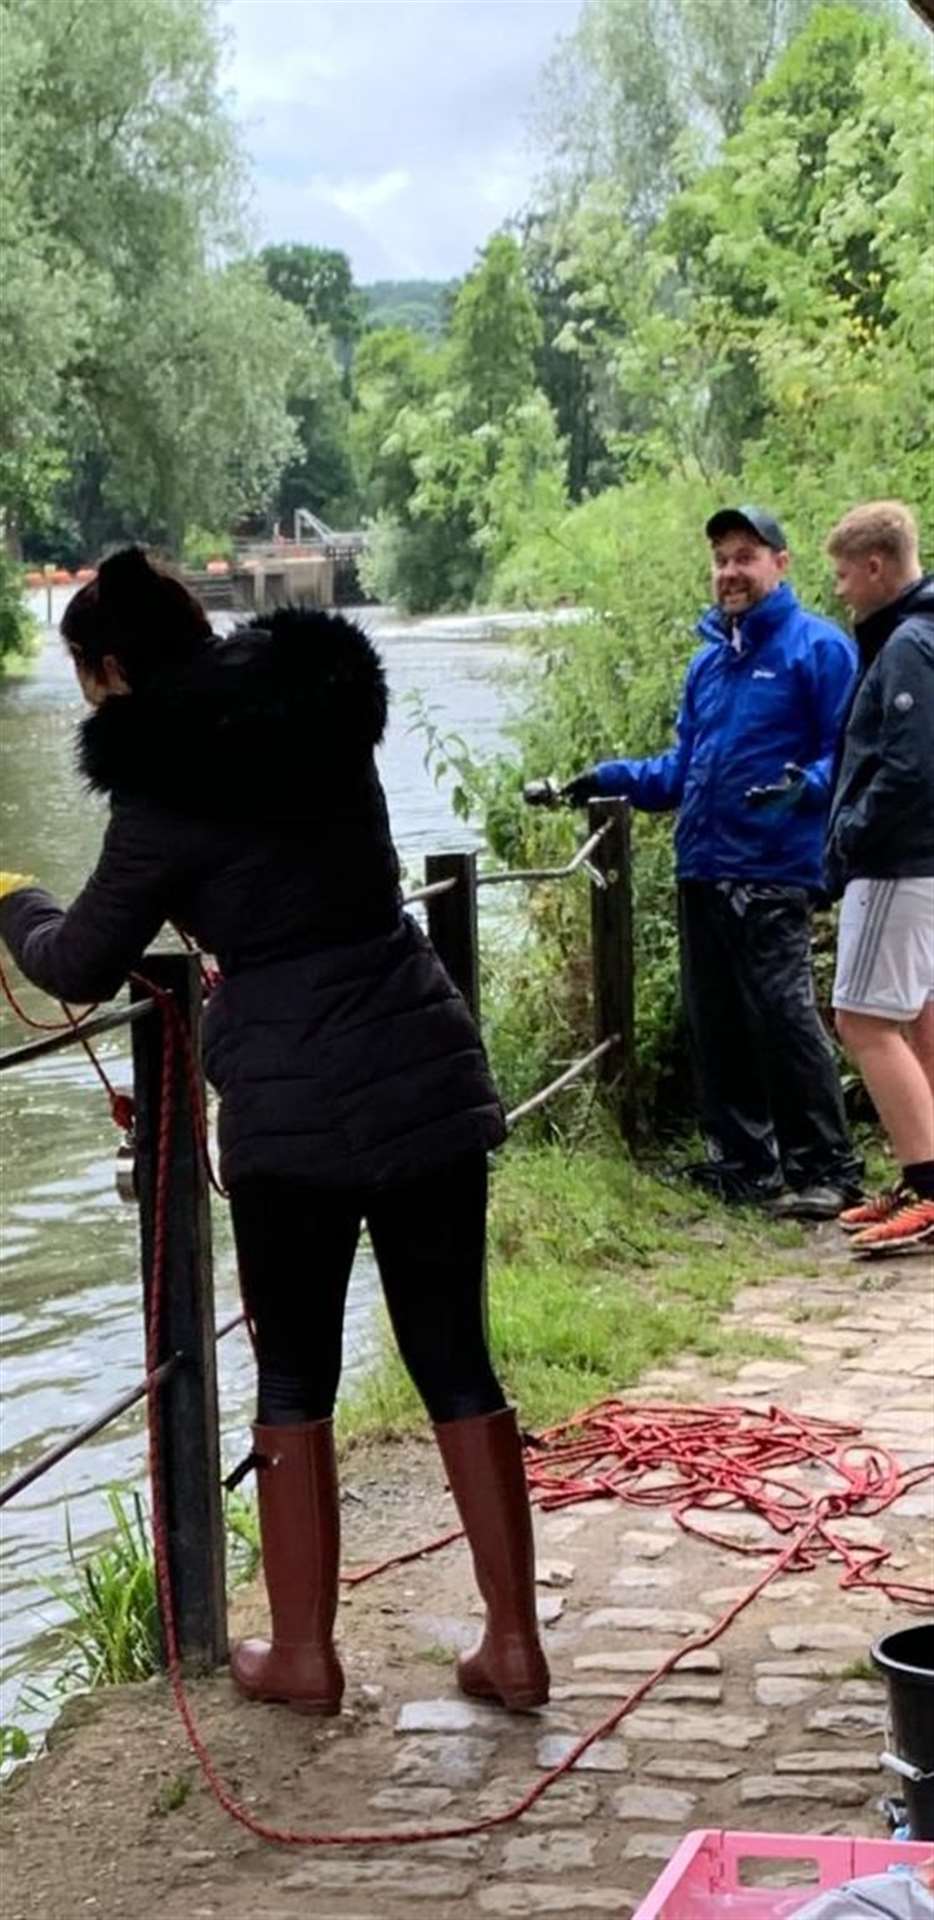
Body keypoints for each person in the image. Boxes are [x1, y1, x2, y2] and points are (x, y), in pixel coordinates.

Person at [0, 546, 549, 1716]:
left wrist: (14, 897)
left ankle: (302, 1656)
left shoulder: (157, 796)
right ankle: (512, 1644)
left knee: (295, 1367)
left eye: (88, 681)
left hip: (292, 1108)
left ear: (107, 673)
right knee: (454, 1352)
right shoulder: (325, 708)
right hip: (420, 1056)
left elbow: (77, 964)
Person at [556, 505, 863, 1216]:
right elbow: (678, 771)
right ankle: (743, 1162)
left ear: (780, 564)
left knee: (784, 1015)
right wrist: (609, 777)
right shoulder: (708, 663)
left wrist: (802, 791)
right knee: (716, 1020)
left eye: (745, 557)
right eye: (722, 559)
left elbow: (845, 754)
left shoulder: (818, 649)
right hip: (703, 864)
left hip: (773, 866)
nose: (730, 572)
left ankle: (828, 1168)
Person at [825, 500, 934, 1255]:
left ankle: (929, 1189)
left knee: (862, 1019)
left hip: (898, 864)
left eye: (842, 575)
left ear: (875, 566)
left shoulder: (906, 647)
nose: (839, 591)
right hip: (920, 864)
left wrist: (851, 834)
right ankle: (924, 1170)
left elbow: (911, 767)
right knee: (919, 1016)